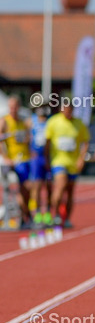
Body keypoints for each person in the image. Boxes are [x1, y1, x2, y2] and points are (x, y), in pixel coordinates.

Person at [44, 97, 90, 228]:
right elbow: (47, 143)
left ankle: (67, 219)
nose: (67, 112)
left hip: (73, 163)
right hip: (58, 161)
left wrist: (81, 159)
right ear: (61, 110)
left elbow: (85, 142)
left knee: (70, 191)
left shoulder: (79, 123)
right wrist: (47, 160)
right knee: (60, 185)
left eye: (70, 110)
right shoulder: (53, 122)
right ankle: (56, 214)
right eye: (65, 110)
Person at [1, 96, 32, 227]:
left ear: (19, 107)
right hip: (10, 161)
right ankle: (19, 215)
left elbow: (28, 139)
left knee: (27, 189)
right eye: (11, 107)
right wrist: (6, 158)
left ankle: (25, 215)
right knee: (12, 188)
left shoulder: (23, 122)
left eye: (15, 107)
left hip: (23, 159)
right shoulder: (4, 121)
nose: (13, 109)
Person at [27, 107, 53, 225]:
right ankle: (37, 213)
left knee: (48, 186)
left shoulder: (50, 121)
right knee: (36, 186)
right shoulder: (31, 121)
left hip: (48, 157)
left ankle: (47, 212)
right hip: (36, 158)